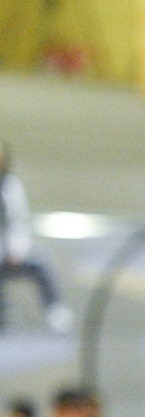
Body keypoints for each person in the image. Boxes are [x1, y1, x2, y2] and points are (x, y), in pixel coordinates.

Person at [0, 142, 72, 334]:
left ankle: (56, 313)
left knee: (40, 266)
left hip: (8, 253)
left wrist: (16, 251)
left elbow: (18, 221)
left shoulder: (11, 186)